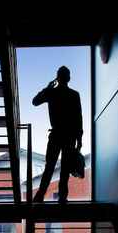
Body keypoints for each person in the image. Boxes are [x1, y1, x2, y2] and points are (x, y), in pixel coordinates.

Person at [32, 66, 83, 203]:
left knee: (49, 167)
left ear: (57, 77)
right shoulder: (74, 95)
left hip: (56, 135)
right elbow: (79, 118)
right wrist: (79, 138)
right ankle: (62, 197)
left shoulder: (52, 93)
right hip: (70, 136)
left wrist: (47, 88)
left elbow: (35, 102)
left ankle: (40, 195)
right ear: (69, 78)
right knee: (65, 168)